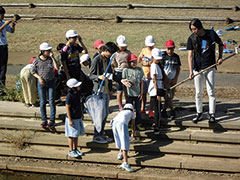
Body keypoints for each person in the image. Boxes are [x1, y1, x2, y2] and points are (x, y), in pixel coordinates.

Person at [187, 18, 223, 123]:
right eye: (191, 29)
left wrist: (220, 57)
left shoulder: (211, 34)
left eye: (194, 29)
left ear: (199, 27)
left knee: (211, 91)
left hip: (210, 66)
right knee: (198, 92)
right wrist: (190, 72)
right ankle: (199, 113)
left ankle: (212, 114)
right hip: (197, 69)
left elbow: (220, 44)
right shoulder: (191, 38)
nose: (193, 31)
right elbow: (190, 56)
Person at [89, 42, 119, 143]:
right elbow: (90, 75)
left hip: (106, 91)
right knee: (99, 114)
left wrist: (110, 88)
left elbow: (110, 74)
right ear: (106, 51)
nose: (112, 55)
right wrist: (98, 77)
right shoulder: (96, 60)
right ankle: (97, 135)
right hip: (98, 91)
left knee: (105, 114)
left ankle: (101, 134)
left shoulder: (108, 60)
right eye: (111, 53)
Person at [31, 42, 59, 129]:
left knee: (51, 101)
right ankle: (44, 120)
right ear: (43, 51)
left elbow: (56, 68)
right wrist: (39, 78)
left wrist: (53, 58)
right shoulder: (37, 60)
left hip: (51, 82)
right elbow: (33, 72)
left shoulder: (50, 59)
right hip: (41, 83)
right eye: (48, 50)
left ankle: (52, 120)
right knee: (42, 102)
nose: (49, 52)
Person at [122, 54, 145, 131]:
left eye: (135, 62)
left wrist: (141, 92)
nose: (134, 63)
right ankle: (128, 124)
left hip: (137, 94)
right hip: (129, 94)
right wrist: (125, 93)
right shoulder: (126, 70)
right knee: (128, 110)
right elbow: (124, 83)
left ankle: (138, 123)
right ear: (128, 63)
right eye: (132, 62)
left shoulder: (139, 70)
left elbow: (142, 81)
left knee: (138, 109)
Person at [111, 103, 135, 172]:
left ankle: (120, 153)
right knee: (125, 142)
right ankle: (125, 163)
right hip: (122, 123)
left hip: (114, 123)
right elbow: (133, 125)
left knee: (119, 139)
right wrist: (132, 134)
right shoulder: (131, 113)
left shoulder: (121, 112)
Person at [161, 40, 181, 120]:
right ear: (166, 48)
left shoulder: (176, 57)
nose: (170, 51)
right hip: (166, 80)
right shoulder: (163, 56)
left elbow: (178, 68)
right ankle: (172, 110)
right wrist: (166, 78)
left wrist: (175, 78)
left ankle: (164, 110)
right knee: (167, 96)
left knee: (170, 96)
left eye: (172, 49)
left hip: (173, 80)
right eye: (168, 49)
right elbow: (162, 69)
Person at [65, 78, 85, 158]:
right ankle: (71, 150)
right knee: (71, 135)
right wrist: (70, 119)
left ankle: (75, 148)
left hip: (78, 116)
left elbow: (80, 104)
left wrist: (82, 113)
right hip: (72, 118)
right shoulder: (69, 96)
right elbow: (67, 107)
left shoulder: (78, 93)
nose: (79, 86)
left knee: (76, 135)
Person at [111, 35, 131, 110]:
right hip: (118, 72)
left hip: (126, 72)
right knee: (119, 90)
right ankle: (120, 105)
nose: (123, 48)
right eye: (121, 46)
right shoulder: (115, 54)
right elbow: (113, 64)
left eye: (124, 46)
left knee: (127, 89)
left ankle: (127, 103)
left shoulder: (128, 53)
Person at [0, 6, 16, 95]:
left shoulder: (3, 23)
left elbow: (12, 31)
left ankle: (2, 87)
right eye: (1, 14)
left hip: (4, 46)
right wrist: (5, 24)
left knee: (3, 68)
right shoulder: (3, 24)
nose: (2, 16)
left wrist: (13, 25)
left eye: (3, 14)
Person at [148, 48, 165, 134]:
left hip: (159, 85)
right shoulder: (154, 66)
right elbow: (154, 79)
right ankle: (156, 125)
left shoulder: (157, 65)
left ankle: (158, 123)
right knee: (157, 108)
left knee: (159, 107)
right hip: (156, 88)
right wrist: (157, 91)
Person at [138, 35, 155, 118]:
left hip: (152, 74)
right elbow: (138, 60)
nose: (150, 46)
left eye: (151, 45)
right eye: (149, 45)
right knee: (143, 93)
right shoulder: (143, 50)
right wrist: (141, 58)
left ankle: (151, 110)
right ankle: (143, 108)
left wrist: (150, 62)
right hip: (144, 73)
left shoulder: (154, 51)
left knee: (151, 93)